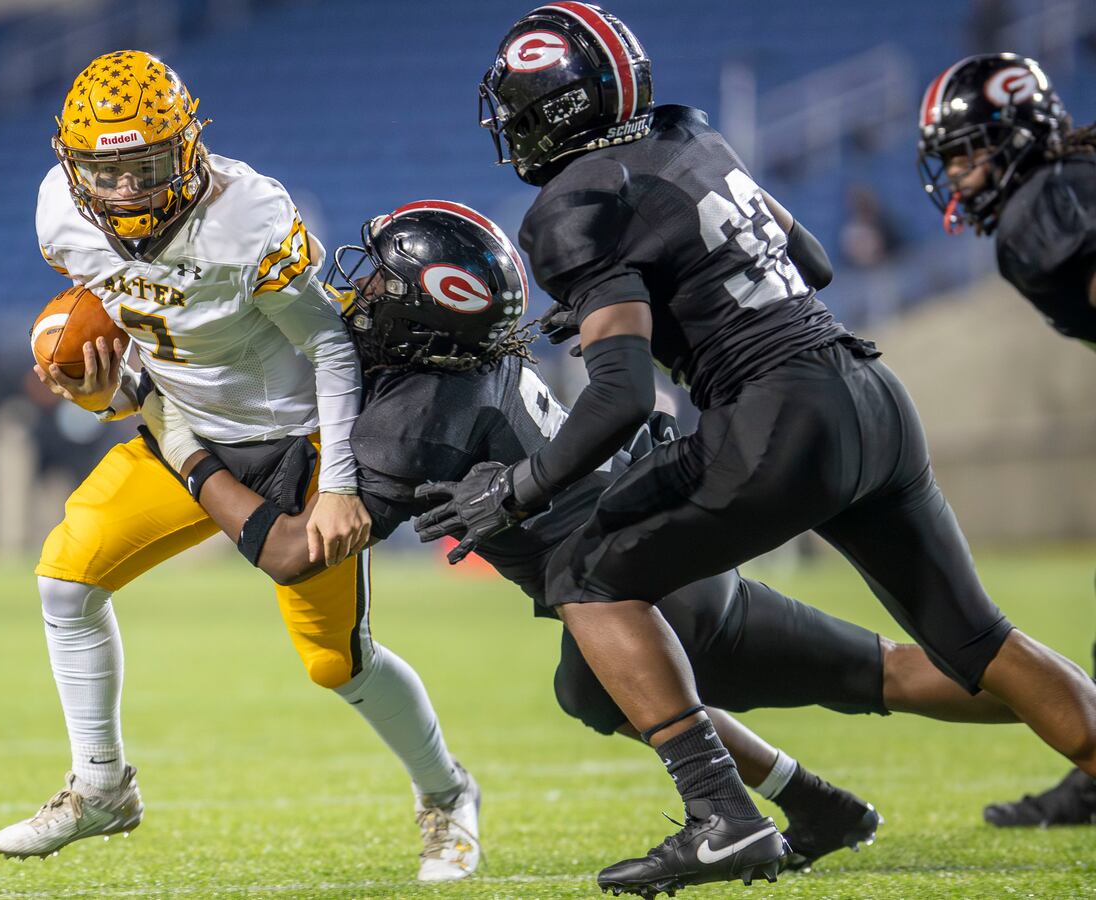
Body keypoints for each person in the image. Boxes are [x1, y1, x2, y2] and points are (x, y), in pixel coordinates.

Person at [149, 200, 1053, 872]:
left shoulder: (413, 418)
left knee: (600, 689)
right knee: (887, 672)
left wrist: (181, 446)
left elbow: (290, 551)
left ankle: (747, 811)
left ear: (424, 314)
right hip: (681, 562)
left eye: (384, 282)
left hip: (627, 594)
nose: (364, 289)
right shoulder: (483, 354)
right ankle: (829, 802)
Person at [413, 5, 1096, 895]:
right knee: (980, 640)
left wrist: (518, 489)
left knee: (586, 573)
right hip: (869, 392)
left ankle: (721, 818)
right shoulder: (690, 135)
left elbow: (619, 399)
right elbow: (807, 260)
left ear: (552, 112)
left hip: (776, 418)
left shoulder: (571, 204)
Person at [0, 51, 479, 882]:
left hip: (295, 440)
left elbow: (328, 344)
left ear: (187, 149)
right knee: (65, 580)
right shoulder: (58, 215)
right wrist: (103, 392)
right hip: (184, 430)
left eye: (145, 168)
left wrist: (337, 485)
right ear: (73, 169)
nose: (127, 193)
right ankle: (101, 786)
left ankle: (447, 794)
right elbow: (137, 356)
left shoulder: (247, 216)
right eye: (106, 174)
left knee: (336, 664)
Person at [918, 52, 1096, 827]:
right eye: (950, 155)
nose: (958, 172)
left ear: (1020, 134)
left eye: (971, 150)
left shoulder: (1046, 208)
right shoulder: (1069, 180)